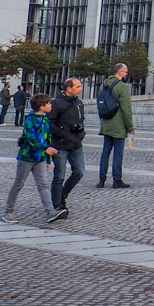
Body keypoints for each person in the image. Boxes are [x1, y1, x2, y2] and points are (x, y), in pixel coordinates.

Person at [2, 93, 61, 223]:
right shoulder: (30, 120)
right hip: (26, 157)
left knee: (43, 185)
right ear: (42, 106)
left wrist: (47, 159)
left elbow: (47, 140)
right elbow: (30, 138)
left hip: (40, 158)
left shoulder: (45, 120)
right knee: (19, 184)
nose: (51, 105)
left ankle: (49, 211)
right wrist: (45, 149)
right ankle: (8, 211)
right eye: (48, 103)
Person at [48, 78, 86, 218]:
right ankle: (57, 204)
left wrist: (81, 133)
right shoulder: (56, 103)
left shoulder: (79, 103)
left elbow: (81, 120)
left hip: (76, 144)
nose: (80, 88)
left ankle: (63, 194)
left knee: (79, 172)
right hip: (60, 144)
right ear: (69, 88)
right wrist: (62, 133)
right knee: (59, 175)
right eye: (78, 86)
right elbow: (50, 122)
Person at [97, 63, 134, 189]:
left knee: (105, 152)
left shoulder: (104, 84)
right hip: (118, 125)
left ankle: (101, 179)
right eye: (126, 72)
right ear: (120, 72)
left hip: (106, 123)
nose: (126, 74)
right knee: (118, 153)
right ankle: (117, 179)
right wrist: (130, 127)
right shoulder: (122, 86)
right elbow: (126, 108)